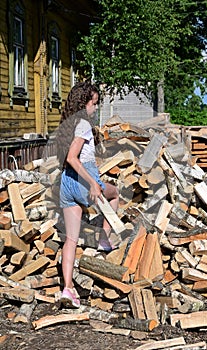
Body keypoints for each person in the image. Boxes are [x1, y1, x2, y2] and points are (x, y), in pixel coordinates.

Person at [58, 81, 120, 308]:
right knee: (115, 194)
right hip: (83, 182)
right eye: (94, 104)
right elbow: (72, 158)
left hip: (66, 184)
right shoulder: (83, 124)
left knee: (71, 240)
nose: (95, 109)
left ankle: (67, 289)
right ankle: (104, 240)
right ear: (83, 104)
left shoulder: (67, 124)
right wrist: (93, 183)